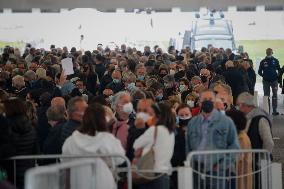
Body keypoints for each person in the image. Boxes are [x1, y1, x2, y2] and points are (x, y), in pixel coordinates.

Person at [186, 90, 240, 189]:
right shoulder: (192, 123)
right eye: (204, 99)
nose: (208, 101)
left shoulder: (226, 122)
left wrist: (223, 165)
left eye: (210, 99)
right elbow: (187, 147)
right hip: (196, 170)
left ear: (215, 101)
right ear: (199, 102)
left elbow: (234, 146)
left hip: (217, 171)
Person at [62, 103, 124, 189]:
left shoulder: (71, 141)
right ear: (103, 119)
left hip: (79, 182)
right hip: (103, 181)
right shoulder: (108, 139)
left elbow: (65, 162)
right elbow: (120, 159)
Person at [133, 102, 175, 189]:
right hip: (165, 173)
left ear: (158, 116)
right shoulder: (170, 131)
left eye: (152, 114)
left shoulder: (154, 130)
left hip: (152, 174)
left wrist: (140, 128)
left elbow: (136, 144)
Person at [226, 110, 252, 189]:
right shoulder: (238, 135)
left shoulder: (241, 138)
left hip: (240, 175)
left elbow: (238, 158)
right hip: (238, 174)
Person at [171, 104, 191, 189]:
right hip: (177, 170)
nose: (184, 117)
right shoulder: (173, 132)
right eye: (181, 115)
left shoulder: (196, 130)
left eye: (187, 115)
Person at [258, 48, 281, 115]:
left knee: (275, 95)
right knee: (266, 96)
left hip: (274, 81)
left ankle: (274, 110)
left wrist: (277, 77)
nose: (269, 52)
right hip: (266, 81)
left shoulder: (275, 60)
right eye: (268, 51)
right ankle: (267, 110)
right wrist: (264, 76)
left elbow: (279, 69)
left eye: (270, 51)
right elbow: (259, 71)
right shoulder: (263, 61)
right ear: (266, 52)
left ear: (272, 52)